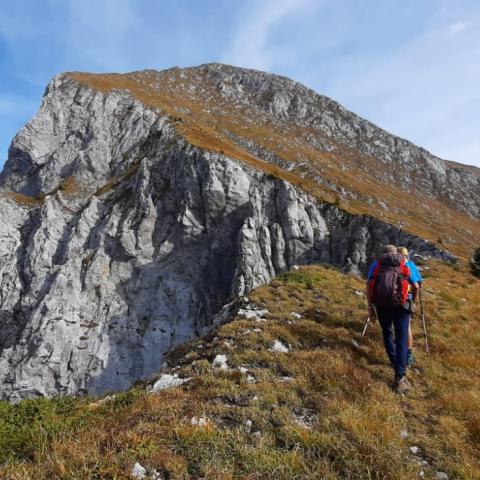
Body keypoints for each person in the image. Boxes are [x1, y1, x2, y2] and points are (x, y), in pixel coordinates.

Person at [367, 245, 419, 393]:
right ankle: (399, 377)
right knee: (402, 338)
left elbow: (369, 286)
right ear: (396, 253)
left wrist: (370, 307)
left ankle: (393, 361)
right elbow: (416, 285)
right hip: (402, 306)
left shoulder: (376, 265)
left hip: (382, 306)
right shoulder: (405, 263)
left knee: (387, 333)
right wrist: (412, 302)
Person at [397, 246, 423, 367]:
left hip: (395, 298)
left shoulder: (396, 264)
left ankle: (400, 351)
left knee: (396, 325)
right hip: (406, 299)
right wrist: (413, 301)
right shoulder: (411, 265)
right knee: (407, 327)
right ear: (407, 255)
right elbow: (418, 285)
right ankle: (408, 355)